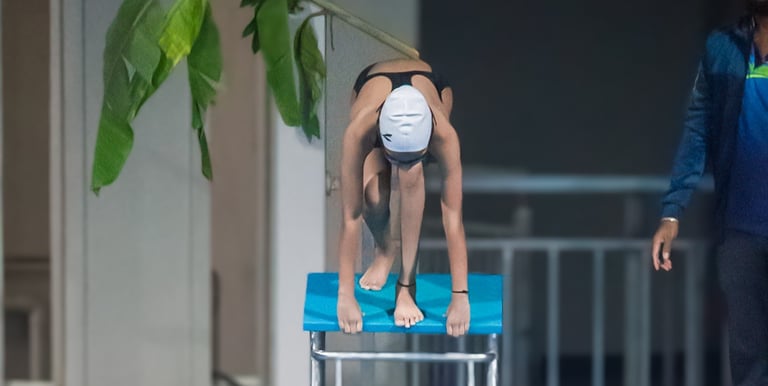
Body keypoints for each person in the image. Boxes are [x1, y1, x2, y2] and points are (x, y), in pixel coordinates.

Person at [652, 2, 768, 384]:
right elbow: (698, 128)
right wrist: (672, 211)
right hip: (740, 230)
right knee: (748, 353)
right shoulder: (723, 48)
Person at [335, 59, 470, 337]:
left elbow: (453, 217)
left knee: (411, 177)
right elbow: (350, 217)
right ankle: (385, 250)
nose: (400, 167)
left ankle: (406, 287)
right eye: (396, 160)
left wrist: (460, 296)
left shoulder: (444, 134)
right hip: (371, 83)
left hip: (430, 83)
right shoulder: (359, 131)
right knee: (372, 197)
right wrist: (345, 295)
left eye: (413, 159)